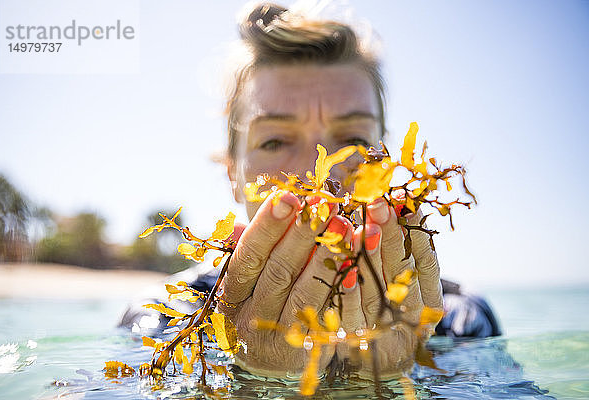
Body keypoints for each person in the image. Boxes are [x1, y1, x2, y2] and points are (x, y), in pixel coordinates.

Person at [120, 1, 500, 379]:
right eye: (274, 142)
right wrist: (256, 373)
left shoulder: (461, 316)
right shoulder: (166, 315)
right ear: (232, 173)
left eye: (353, 138)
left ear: (386, 162)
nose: (317, 175)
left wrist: (398, 372)